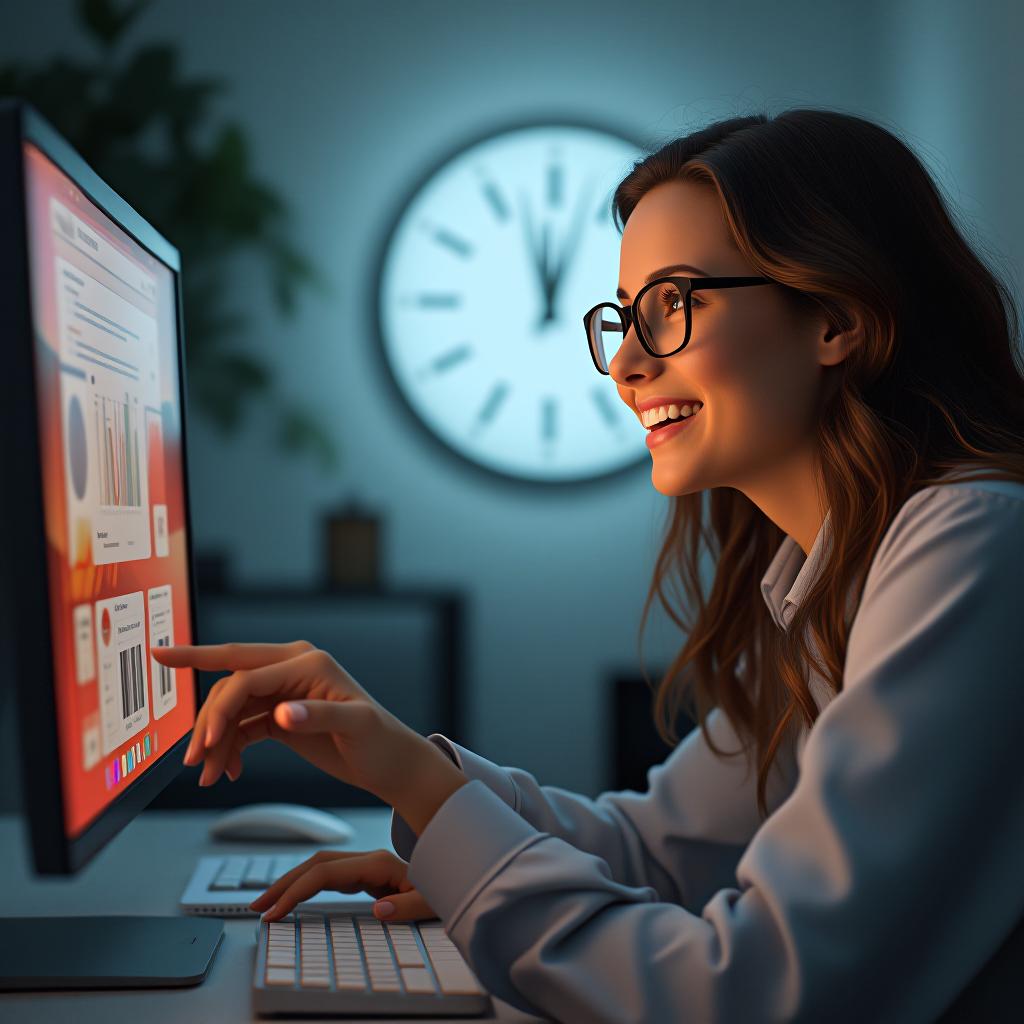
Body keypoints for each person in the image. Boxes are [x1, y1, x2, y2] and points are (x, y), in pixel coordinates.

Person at [153, 107, 1024, 1023]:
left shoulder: (973, 545)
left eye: (673, 306)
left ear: (837, 319)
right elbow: (655, 852)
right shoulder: (827, 574)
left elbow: (758, 995)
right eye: (622, 319)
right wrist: (402, 764)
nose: (626, 364)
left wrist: (437, 807)